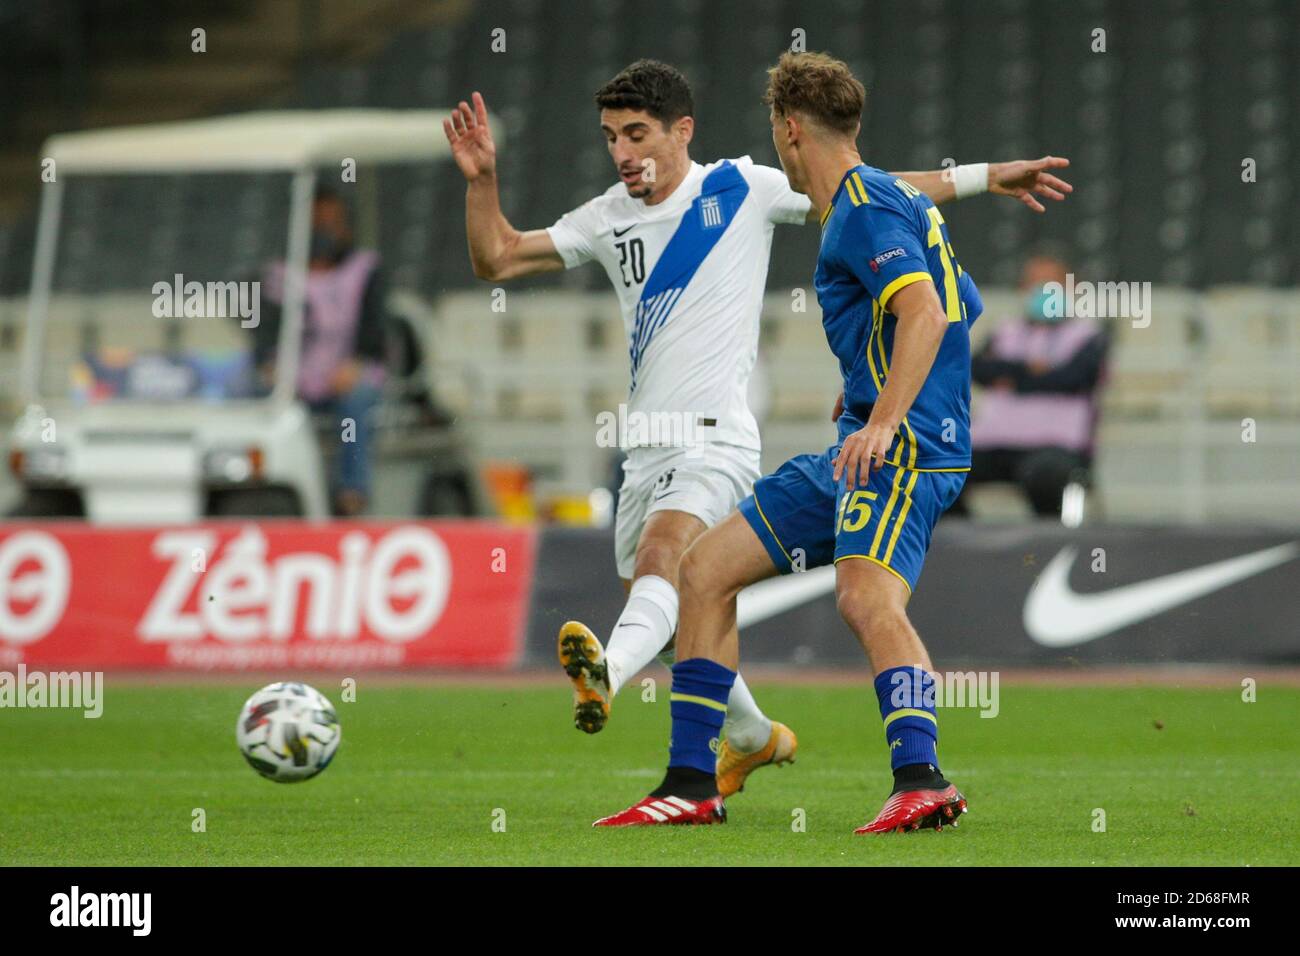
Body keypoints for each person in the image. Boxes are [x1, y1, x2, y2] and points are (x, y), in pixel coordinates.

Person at [443, 59, 1071, 801]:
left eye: (637, 134)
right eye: (611, 137)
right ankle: (749, 735)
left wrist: (982, 176)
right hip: (645, 447)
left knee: (675, 561)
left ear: (683, 132)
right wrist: (482, 180)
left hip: (718, 438)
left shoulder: (742, 188)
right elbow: (498, 257)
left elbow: (864, 188)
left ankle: (611, 677)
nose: (623, 153)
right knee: (687, 598)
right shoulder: (607, 216)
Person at [256, 187, 388, 516]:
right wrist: (269, 366)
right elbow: (265, 335)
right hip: (296, 378)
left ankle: (352, 491)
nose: (324, 231)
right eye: (317, 222)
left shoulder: (364, 269)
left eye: (331, 222)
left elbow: (374, 331)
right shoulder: (279, 276)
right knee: (246, 391)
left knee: (355, 401)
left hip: (349, 373)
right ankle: (264, 487)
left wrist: (354, 364)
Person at [948, 248, 1109, 518]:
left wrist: (1012, 377)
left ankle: (1046, 548)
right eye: (1036, 283)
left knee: (1045, 476)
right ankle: (967, 546)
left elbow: (1073, 378)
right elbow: (977, 369)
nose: (1043, 291)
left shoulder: (1089, 333)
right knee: (940, 470)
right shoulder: (1006, 330)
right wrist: (1033, 371)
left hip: (1056, 446)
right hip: (994, 441)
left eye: (1052, 283)